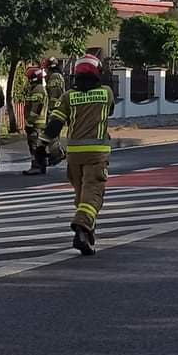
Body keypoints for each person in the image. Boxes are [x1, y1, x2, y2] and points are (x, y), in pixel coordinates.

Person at [64, 54, 116, 255]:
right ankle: (81, 225)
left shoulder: (67, 96)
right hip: (96, 154)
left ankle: (86, 234)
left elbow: (55, 123)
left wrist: (43, 146)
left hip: (74, 156)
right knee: (93, 194)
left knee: (81, 196)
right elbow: (110, 111)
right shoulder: (106, 93)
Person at [18, 65, 50, 174]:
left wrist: (30, 122)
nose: (28, 80)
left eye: (29, 78)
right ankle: (42, 164)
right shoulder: (37, 89)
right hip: (38, 123)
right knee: (39, 144)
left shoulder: (38, 90)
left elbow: (37, 107)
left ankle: (36, 166)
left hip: (36, 123)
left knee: (34, 145)